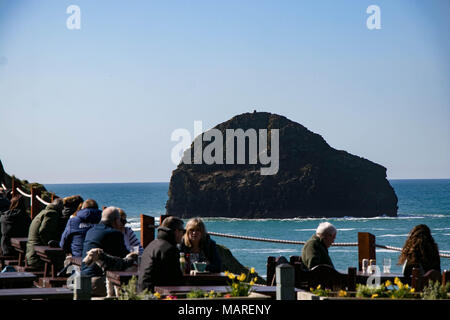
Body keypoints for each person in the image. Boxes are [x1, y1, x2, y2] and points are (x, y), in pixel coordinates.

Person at [81, 206, 130, 296]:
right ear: (116, 220)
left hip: (83, 281)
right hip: (98, 282)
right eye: (120, 220)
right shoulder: (114, 233)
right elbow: (125, 259)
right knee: (133, 284)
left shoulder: (91, 231)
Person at [138, 216, 185, 292]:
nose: (183, 235)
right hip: (155, 294)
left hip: (143, 292)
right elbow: (176, 279)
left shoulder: (151, 245)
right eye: (183, 231)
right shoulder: (170, 249)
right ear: (176, 232)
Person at [26, 198, 64, 268]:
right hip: (38, 257)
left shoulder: (43, 212)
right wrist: (50, 244)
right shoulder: (52, 213)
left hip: (32, 252)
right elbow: (44, 231)